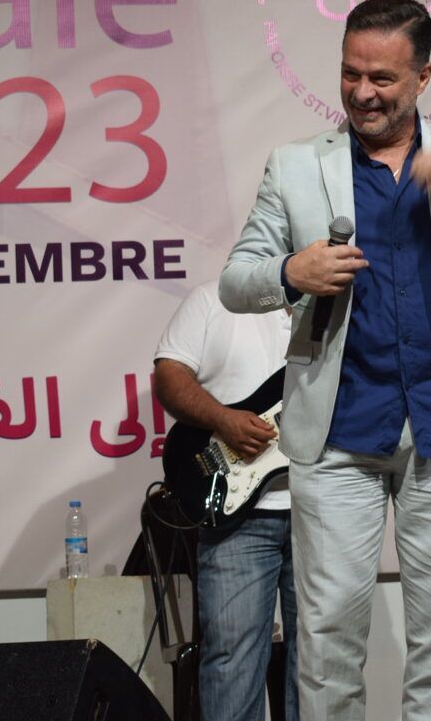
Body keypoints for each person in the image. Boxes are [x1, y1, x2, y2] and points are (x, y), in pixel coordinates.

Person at [220, 0, 431, 721]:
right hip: (339, 431)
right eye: (351, 73)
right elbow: (236, 281)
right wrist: (291, 271)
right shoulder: (295, 166)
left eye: (382, 77)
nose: (362, 92)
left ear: (423, 77)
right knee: (326, 642)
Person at [153, 281, 298, 721]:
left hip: (323, 509)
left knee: (323, 660)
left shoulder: (342, 307)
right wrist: (224, 419)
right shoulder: (212, 298)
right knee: (232, 659)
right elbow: (169, 376)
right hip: (237, 514)